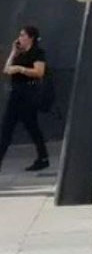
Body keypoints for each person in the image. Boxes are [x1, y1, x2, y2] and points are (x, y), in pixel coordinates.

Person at [0, 26, 49, 172]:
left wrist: (21, 69)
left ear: (30, 38)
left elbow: (39, 72)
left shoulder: (38, 53)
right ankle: (43, 157)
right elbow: (6, 69)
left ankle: (43, 158)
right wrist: (13, 52)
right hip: (16, 95)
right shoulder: (19, 54)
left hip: (28, 96)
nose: (20, 38)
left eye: (22, 35)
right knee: (13, 128)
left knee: (24, 128)